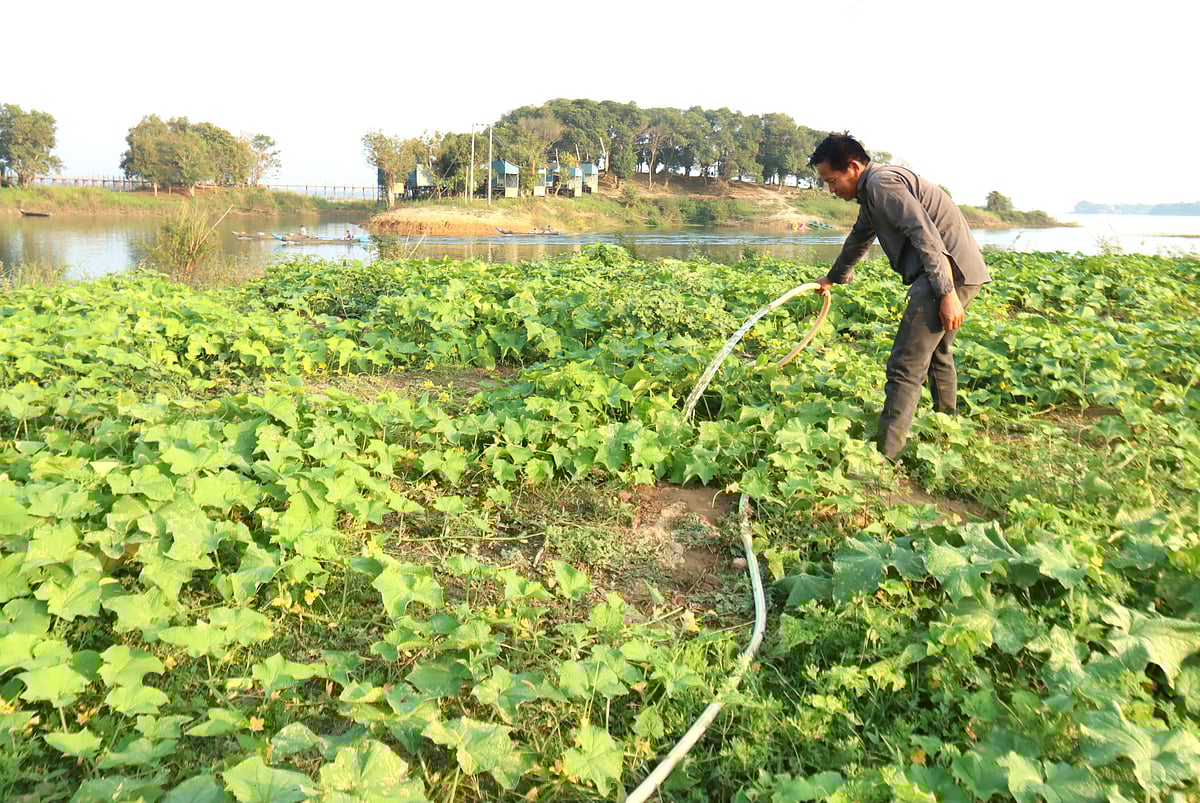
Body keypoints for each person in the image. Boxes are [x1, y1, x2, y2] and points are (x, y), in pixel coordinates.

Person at [809, 132, 991, 459]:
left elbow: (924, 233)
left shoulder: (882, 184)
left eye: (833, 181)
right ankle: (946, 433)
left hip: (946, 275)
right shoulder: (872, 192)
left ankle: (885, 457)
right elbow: (859, 239)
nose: (831, 190)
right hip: (963, 272)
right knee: (937, 356)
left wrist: (946, 292)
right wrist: (834, 278)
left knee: (904, 366)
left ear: (853, 167)